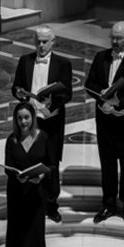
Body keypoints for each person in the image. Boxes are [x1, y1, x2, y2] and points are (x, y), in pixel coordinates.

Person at [85, 21, 124, 225]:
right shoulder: (100, 57)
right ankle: (108, 204)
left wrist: (117, 104)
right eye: (112, 37)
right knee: (108, 163)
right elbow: (90, 84)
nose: (114, 41)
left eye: (119, 38)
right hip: (105, 120)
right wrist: (101, 97)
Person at [11, 26, 73, 223]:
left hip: (51, 120)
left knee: (51, 163)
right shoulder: (25, 61)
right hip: (30, 123)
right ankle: (31, 201)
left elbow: (67, 93)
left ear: (53, 41)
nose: (41, 45)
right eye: (38, 41)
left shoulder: (63, 63)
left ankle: (52, 205)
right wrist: (19, 93)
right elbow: (16, 87)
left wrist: (52, 103)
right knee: (28, 161)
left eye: (45, 41)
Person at [3, 102, 55, 247]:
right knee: (17, 233)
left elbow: (52, 165)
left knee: (34, 233)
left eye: (26, 117)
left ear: (33, 118)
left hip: (36, 193)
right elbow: (8, 167)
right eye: (19, 118)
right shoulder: (12, 140)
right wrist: (18, 177)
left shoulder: (43, 137)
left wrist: (41, 174)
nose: (23, 121)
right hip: (17, 193)